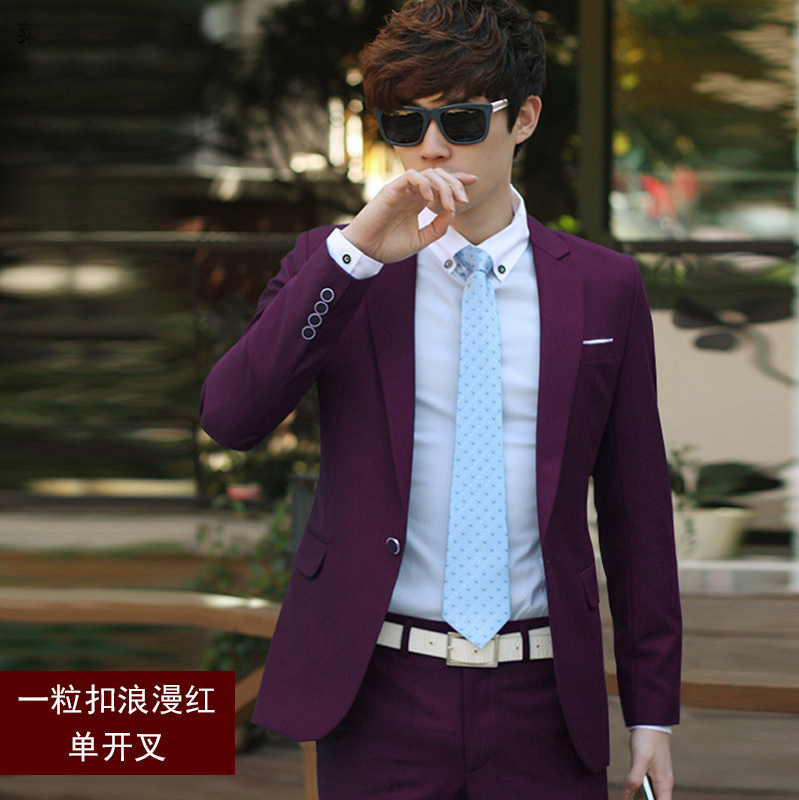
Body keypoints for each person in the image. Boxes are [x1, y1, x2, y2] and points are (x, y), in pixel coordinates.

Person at [199, 1, 682, 798]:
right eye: (404, 122)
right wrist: (355, 257)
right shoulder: (339, 267)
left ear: (523, 119)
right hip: (379, 693)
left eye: (460, 119)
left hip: (543, 700)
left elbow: (637, 515)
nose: (430, 147)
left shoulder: (605, 287)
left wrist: (652, 713)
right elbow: (230, 416)